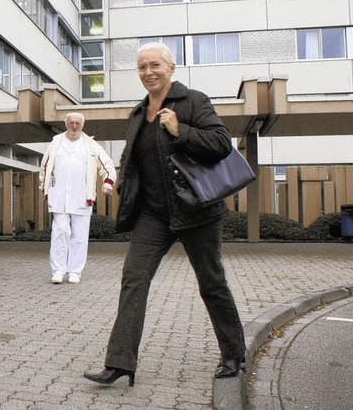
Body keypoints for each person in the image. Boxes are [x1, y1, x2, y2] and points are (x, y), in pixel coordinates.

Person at [83, 43, 246, 386]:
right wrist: (122, 186)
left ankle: (233, 354)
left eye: (155, 65)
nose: (148, 72)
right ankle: (120, 362)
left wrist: (180, 131)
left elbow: (220, 143)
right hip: (154, 215)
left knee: (211, 283)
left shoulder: (193, 101)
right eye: (142, 67)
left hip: (197, 211)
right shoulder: (139, 114)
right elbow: (133, 160)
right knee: (133, 279)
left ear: (171, 68)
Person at [39, 112, 117, 284]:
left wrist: (108, 182)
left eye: (78, 123)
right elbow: (44, 167)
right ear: (65, 123)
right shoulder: (56, 143)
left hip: (82, 197)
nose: (74, 126)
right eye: (71, 123)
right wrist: (45, 189)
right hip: (59, 196)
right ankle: (58, 270)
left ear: (83, 125)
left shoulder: (90, 144)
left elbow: (107, 165)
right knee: (60, 232)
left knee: (79, 236)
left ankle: (75, 271)